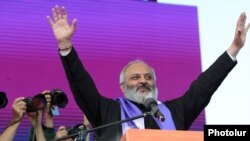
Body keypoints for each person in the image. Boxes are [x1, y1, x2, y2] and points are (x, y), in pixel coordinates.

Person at [47, 5, 250, 141]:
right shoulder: (106, 111)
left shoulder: (173, 112)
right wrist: (65, 45)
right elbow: (82, 84)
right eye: (135, 78)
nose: (143, 81)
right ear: (123, 87)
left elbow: (203, 88)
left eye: (148, 77)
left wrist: (234, 49)